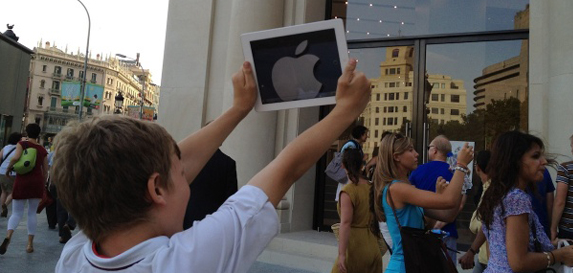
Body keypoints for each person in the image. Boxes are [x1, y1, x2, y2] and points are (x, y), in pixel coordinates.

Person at [51, 59, 371, 273]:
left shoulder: (76, 255)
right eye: (183, 175)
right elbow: (286, 167)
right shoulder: (185, 260)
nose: (188, 172)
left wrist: (237, 110)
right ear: (156, 188)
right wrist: (345, 111)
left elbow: (179, 159)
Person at [478, 131, 573, 273]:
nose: (544, 161)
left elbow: (497, 248)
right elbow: (519, 263)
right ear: (515, 162)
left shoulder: (496, 194)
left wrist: (549, 245)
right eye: (535, 156)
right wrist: (558, 255)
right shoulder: (516, 198)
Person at [372, 132, 473, 273]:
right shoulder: (397, 189)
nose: (417, 154)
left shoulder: (405, 188)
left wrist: (440, 195)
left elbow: (447, 215)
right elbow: (448, 201)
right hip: (404, 266)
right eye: (410, 150)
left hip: (414, 264)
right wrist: (461, 166)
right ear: (396, 157)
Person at [409, 134, 466, 263]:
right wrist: (440, 223)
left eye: (429, 147)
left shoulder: (417, 171)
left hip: (421, 232)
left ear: (434, 150)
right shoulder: (456, 174)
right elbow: (461, 204)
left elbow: (412, 202)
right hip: (448, 232)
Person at [0, 123, 49, 254]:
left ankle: (8, 237)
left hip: (22, 180)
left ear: (27, 133)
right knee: (32, 213)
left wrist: (9, 167)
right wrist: (43, 184)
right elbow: (45, 171)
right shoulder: (42, 150)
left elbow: (16, 157)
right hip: (36, 182)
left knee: (16, 213)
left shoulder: (22, 144)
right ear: (38, 134)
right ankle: (29, 245)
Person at [332, 149, 382, 273]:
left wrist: (342, 255)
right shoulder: (372, 187)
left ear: (343, 165)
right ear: (361, 165)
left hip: (355, 246)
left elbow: (346, 223)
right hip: (373, 244)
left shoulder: (348, 191)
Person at [183, 147, 237, 229]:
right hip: (214, 225)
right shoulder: (227, 163)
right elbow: (230, 203)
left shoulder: (189, 161)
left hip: (187, 223)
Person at [458, 150, 491, 273]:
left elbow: (485, 225)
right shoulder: (486, 188)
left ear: (477, 168)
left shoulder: (492, 191)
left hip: (489, 259)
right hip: (483, 256)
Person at [551, 130, 573, 243]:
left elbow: (560, 201)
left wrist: (553, 228)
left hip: (570, 231)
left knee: (570, 260)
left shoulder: (566, 168)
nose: (571, 150)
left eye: (571, 146)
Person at [335, 125, 368, 201]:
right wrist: (362, 158)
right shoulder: (351, 145)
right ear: (361, 134)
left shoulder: (355, 145)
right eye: (365, 134)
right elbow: (350, 160)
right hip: (347, 176)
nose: (367, 136)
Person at [0, 133, 21, 218]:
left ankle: (2, 210)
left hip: (1, 171)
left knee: (4, 191)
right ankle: (5, 204)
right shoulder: (19, 149)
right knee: (14, 191)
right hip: (11, 172)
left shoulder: (5, 148)